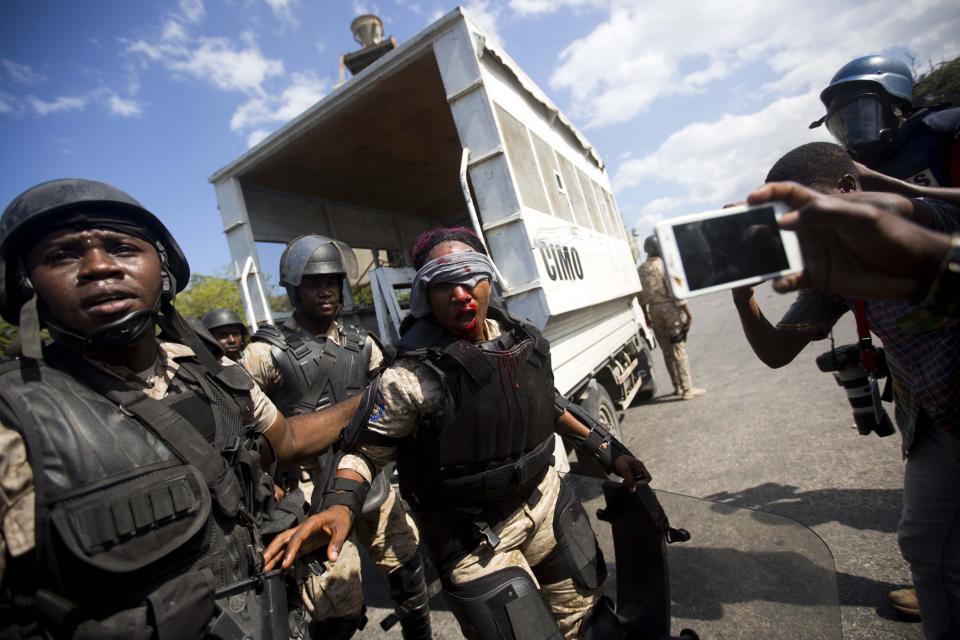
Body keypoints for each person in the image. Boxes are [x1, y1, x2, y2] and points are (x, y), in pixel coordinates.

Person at [0, 179, 360, 638]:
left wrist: (374, 397)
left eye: (122, 247)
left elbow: (286, 441)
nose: (98, 267)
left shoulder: (211, 373)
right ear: (25, 284)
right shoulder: (15, 419)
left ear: (163, 270)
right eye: (62, 256)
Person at [263, 226, 652, 639]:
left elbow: (550, 404)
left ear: (489, 280)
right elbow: (364, 451)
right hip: (474, 540)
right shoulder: (410, 376)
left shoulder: (521, 341)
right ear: (425, 297)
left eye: (470, 276)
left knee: (595, 626)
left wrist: (612, 452)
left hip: (546, 505)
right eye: (443, 283)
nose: (461, 293)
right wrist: (339, 505)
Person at [733, 144, 960, 637]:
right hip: (932, 424)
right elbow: (776, 350)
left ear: (850, 189)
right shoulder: (835, 271)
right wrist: (741, 291)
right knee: (924, 546)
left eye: (812, 206)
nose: (809, 222)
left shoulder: (934, 221)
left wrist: (903, 197)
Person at [242, 234, 430, 640]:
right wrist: (268, 486)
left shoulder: (363, 345)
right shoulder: (265, 352)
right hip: (309, 493)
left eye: (332, 281)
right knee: (336, 610)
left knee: (410, 573)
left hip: (368, 478)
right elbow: (240, 425)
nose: (326, 290)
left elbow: (391, 399)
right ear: (293, 288)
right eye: (313, 283)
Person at [749, 180, 960, 318]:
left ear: (848, 187)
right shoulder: (825, 273)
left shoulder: (932, 215)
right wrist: (743, 299)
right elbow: (777, 353)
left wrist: (930, 263)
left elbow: (897, 205)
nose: (817, 229)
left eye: (817, 207)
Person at [812, 55, 960, 189]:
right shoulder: (850, 176)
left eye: (860, 114)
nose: (853, 129)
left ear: (897, 107)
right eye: (841, 123)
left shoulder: (946, 131)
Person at [638, 235, 706, 399]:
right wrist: (688, 313)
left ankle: (677, 386)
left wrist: (647, 316)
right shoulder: (664, 266)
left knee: (667, 352)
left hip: (654, 313)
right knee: (679, 350)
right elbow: (676, 291)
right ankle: (687, 389)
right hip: (670, 311)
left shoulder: (640, 270)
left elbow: (640, 297)